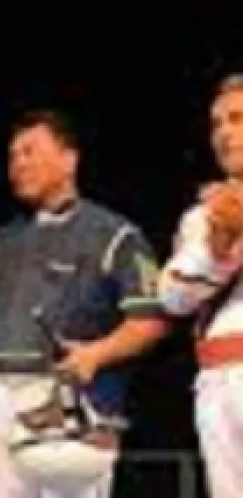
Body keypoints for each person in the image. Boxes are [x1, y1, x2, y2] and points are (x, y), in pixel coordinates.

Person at [0, 110, 168, 498]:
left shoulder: (115, 235)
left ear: (68, 159)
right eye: (13, 156)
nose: (18, 164)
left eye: (30, 151)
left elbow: (151, 322)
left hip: (71, 399)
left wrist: (96, 354)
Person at [156, 74, 243, 497]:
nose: (224, 133)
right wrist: (219, 244)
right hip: (216, 380)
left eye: (238, 119)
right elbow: (172, 298)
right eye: (216, 124)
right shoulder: (200, 216)